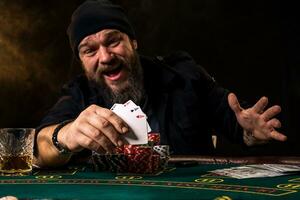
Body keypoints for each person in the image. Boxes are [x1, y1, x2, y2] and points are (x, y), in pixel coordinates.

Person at [34, 0, 287, 167]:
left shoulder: (184, 75)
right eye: (89, 50)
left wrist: (250, 131)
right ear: (80, 60)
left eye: (113, 41)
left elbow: (235, 121)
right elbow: (40, 146)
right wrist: (64, 136)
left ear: (133, 42)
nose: (105, 57)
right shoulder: (78, 93)